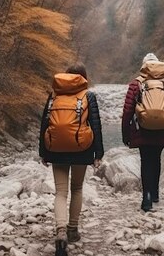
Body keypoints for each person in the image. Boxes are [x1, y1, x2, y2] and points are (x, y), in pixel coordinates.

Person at [39, 63, 104, 255]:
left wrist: (43, 151)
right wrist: (98, 154)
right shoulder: (88, 96)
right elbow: (96, 125)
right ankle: (72, 230)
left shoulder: (54, 95)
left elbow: (44, 124)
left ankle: (60, 231)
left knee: (60, 192)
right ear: (84, 78)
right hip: (81, 149)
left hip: (56, 149)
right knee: (76, 188)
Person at [121, 53, 164, 212]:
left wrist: (126, 135)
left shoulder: (136, 84)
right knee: (157, 159)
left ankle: (146, 198)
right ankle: (155, 194)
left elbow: (127, 112)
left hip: (142, 130)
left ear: (144, 67)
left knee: (146, 160)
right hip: (163, 130)